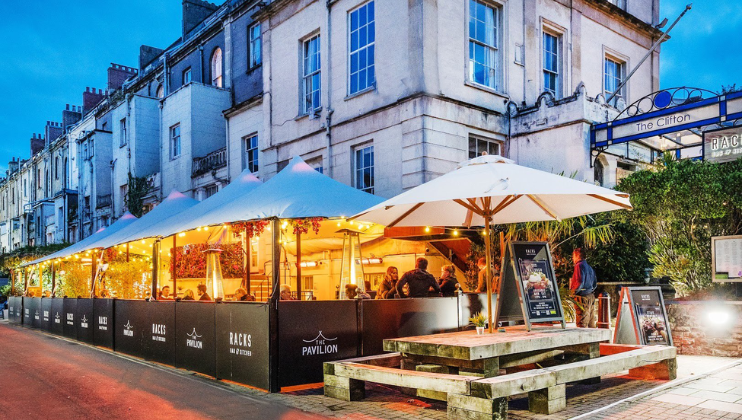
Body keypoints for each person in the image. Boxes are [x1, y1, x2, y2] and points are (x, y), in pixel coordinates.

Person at [571, 248, 597, 328]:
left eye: (573, 256)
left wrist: (573, 293)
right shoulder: (589, 267)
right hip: (591, 296)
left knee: (582, 324)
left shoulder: (579, 266)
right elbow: (594, 283)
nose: (572, 258)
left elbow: (579, 282)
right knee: (591, 323)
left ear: (577, 256)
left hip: (582, 298)